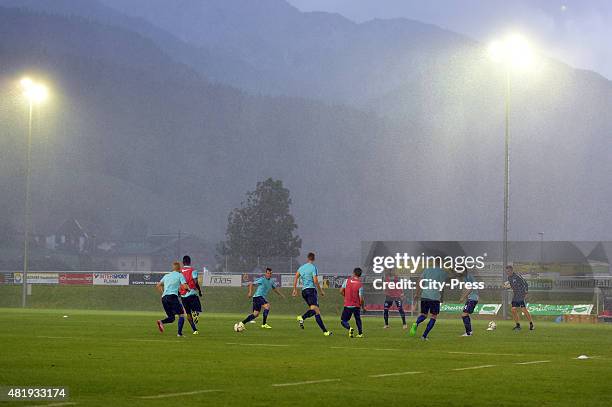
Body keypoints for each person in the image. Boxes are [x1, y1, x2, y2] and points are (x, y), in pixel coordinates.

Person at [292, 252, 332, 336]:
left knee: (316, 311)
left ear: (307, 258)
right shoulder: (313, 268)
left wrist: (295, 289)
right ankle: (302, 317)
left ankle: (325, 332)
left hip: (304, 292)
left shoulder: (302, 267)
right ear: (313, 259)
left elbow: (296, 277)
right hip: (311, 290)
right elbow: (315, 281)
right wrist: (321, 290)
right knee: (315, 310)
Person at [409, 267, 448, 340]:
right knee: (433, 316)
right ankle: (424, 336)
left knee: (423, 315)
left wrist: (417, 294)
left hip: (425, 296)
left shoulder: (427, 270)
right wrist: (441, 298)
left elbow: (419, 281)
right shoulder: (442, 272)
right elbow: (442, 286)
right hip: (435, 297)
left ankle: (416, 323)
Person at [156, 262, 189, 337]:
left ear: (173, 268)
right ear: (180, 268)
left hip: (164, 298)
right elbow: (185, 286)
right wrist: (188, 289)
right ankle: (179, 334)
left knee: (171, 318)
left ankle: (161, 322)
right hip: (172, 297)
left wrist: (163, 293)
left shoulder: (167, 275)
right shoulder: (180, 275)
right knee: (181, 314)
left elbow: (158, 285)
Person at [506, 265, 534, 331]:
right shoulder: (509, 278)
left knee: (523, 310)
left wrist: (526, 291)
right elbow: (512, 285)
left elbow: (525, 283)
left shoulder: (517, 276)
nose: (508, 272)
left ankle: (531, 324)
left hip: (521, 294)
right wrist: (507, 287)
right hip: (515, 295)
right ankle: (518, 325)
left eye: (509, 271)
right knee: (513, 310)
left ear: (512, 270)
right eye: (507, 271)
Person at [179, 255, 202, 335]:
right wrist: (199, 290)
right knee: (197, 308)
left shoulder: (180, 271)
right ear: (190, 261)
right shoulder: (193, 270)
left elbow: (178, 282)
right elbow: (195, 282)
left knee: (188, 313)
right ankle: (195, 312)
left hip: (183, 295)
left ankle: (194, 330)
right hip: (192, 292)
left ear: (183, 262)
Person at [340, 267, 364, 338]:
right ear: (360, 275)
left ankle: (349, 328)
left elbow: (341, 291)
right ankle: (360, 333)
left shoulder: (347, 281)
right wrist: (363, 307)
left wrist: (345, 296)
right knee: (358, 319)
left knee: (343, 321)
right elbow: (361, 299)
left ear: (353, 273)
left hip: (348, 305)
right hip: (356, 306)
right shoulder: (360, 284)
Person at [459, 271, 479, 336]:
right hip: (472, 298)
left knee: (464, 314)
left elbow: (470, 289)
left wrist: (463, 297)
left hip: (472, 298)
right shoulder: (467, 277)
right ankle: (469, 331)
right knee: (465, 314)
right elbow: (467, 288)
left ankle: (468, 333)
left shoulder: (467, 277)